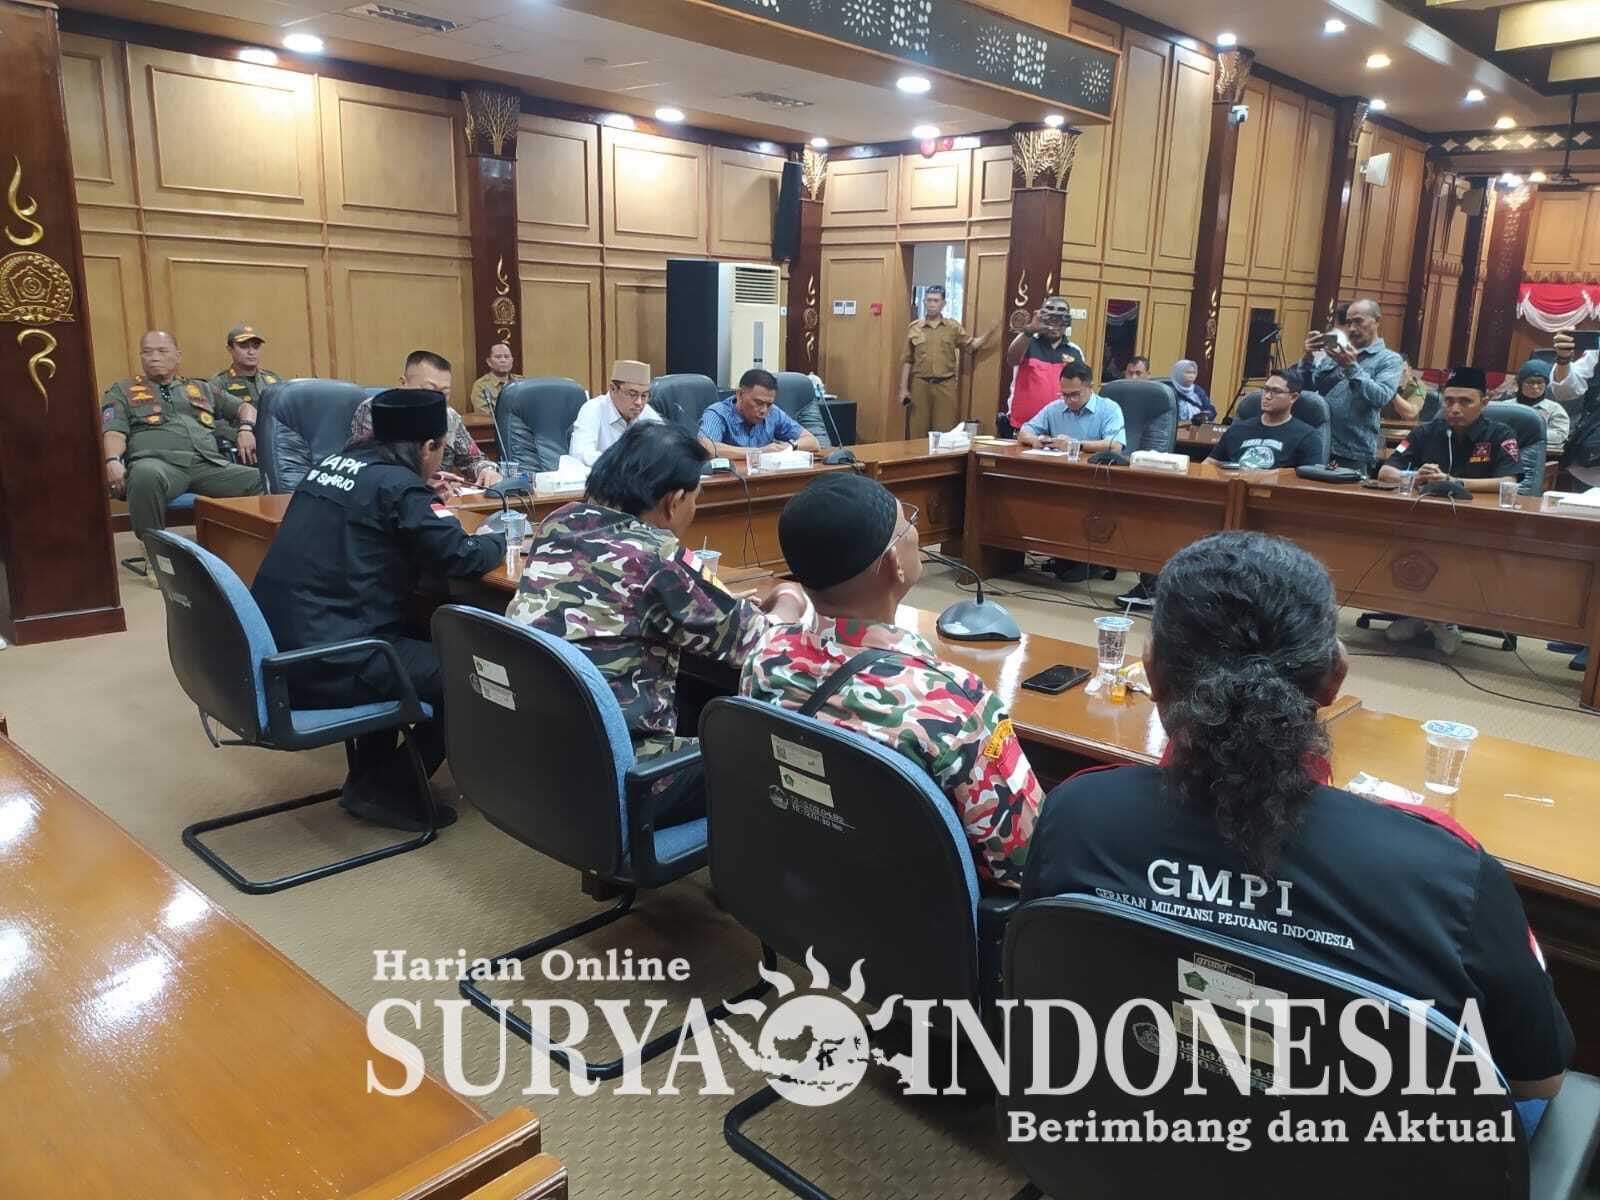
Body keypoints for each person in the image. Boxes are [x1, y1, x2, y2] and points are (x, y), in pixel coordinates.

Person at [1023, 531, 1573, 1112]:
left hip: (1127, 1127)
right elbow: (1536, 1078)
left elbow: (1044, 986)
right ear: (1335, 675)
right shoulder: (1449, 873)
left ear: (1152, 670)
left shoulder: (1076, 814)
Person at [743, 472, 1043, 888]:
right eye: (908, 525)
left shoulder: (765, 657)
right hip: (913, 908)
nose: (915, 531)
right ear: (892, 563)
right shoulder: (955, 703)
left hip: (805, 883)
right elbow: (1020, 857)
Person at [507, 422, 808, 824]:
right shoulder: (658, 557)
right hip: (625, 773)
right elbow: (759, 643)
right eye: (695, 499)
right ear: (674, 500)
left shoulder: (557, 523)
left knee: (698, 696)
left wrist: (710, 602)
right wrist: (788, 598)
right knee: (776, 759)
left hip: (544, 750)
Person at [251, 389, 507, 831]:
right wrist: (498, 537)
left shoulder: (328, 466)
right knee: (478, 673)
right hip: (334, 658)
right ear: (428, 446)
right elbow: (462, 556)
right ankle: (388, 789)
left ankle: (369, 776)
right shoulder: (399, 489)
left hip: (282, 648)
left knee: (421, 634)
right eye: (440, 450)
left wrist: (418, 499)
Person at [1377, 366, 1522, 655]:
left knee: (1453, 556)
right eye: (1449, 401)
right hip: (1425, 521)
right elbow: (1385, 472)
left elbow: (1509, 481)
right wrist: (1414, 476)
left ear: (1485, 402)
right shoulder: (1425, 432)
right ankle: (1427, 618)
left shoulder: (1500, 434)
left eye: (1465, 401)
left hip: (1480, 526)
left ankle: (1438, 619)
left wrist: (1454, 482)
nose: (1454, 408)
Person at [102, 331, 265, 574]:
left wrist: (245, 429)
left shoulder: (201, 388)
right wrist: (112, 460)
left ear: (178, 356)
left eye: (162, 351)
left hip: (208, 464)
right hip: (160, 465)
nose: (154, 357)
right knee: (144, 474)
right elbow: (114, 432)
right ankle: (156, 554)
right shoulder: (122, 391)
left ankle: (247, 548)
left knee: (262, 480)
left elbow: (244, 407)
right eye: (147, 352)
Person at [350, 350, 502, 496]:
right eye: (429, 391)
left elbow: (473, 459)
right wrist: (427, 480)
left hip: (443, 500)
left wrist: (486, 470)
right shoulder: (376, 411)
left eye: (444, 393)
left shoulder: (449, 416)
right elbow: (368, 467)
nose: (437, 399)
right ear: (403, 384)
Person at [1298, 298, 1404, 477]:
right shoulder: (1335, 353)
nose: (1352, 328)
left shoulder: (1389, 359)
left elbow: (1381, 397)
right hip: (1316, 442)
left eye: (1358, 321)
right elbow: (1306, 390)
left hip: (1352, 451)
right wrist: (1308, 357)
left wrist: (1351, 367)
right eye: (1348, 323)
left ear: (1377, 320)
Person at [898, 285, 1000, 438]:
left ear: (943, 304)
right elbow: (908, 360)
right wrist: (903, 388)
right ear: (924, 302)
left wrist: (990, 332)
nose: (932, 304)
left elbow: (971, 345)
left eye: (936, 301)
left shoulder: (952, 327)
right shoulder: (914, 328)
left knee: (944, 432)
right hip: (920, 385)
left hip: (945, 385)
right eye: (929, 300)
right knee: (917, 429)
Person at [1206, 371, 1324, 469]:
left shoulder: (1307, 436)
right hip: (1234, 486)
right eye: (1265, 389)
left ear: (1293, 397)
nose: (1267, 396)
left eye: (1276, 391)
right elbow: (1210, 463)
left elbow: (1309, 480)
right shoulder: (1237, 429)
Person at [1003, 295, 1087, 431]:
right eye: (1049, 313)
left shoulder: (1075, 351)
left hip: (1062, 427)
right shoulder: (1026, 342)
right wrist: (1030, 330)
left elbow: (1082, 388)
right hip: (1024, 426)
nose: (1055, 320)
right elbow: (1012, 359)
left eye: (1060, 314)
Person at [698, 368, 821, 459]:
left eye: (769, 404)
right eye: (758, 402)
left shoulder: (773, 412)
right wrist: (759, 452)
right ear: (740, 394)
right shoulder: (718, 413)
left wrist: (787, 447)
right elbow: (706, 448)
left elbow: (812, 442)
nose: (764, 410)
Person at [1016, 361, 1126, 453]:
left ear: (1090, 387)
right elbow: (1023, 432)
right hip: (1058, 467)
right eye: (1064, 394)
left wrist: (1075, 445)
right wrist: (1035, 440)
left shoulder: (1109, 409)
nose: (1068, 401)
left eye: (1074, 395)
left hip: (1092, 469)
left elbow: (1115, 446)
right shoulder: (1054, 408)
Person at [569, 358, 662, 466]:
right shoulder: (593, 410)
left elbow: (664, 445)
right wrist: (623, 462)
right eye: (632, 394)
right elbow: (580, 455)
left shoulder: (646, 410)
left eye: (644, 395)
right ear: (613, 389)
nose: (639, 402)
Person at [209, 324, 284, 443]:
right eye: (244, 346)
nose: (251, 352)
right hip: (241, 445)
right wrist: (239, 435)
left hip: (278, 442)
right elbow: (212, 423)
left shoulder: (273, 379)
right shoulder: (218, 383)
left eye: (256, 346)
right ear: (230, 349)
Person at [1512, 359, 1569, 453]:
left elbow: (1559, 436)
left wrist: (1526, 434)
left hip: (1542, 454)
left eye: (1540, 382)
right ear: (1520, 383)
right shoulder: (1505, 406)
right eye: (1530, 382)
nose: (1535, 387)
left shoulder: (1554, 409)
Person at [469, 341, 521, 415]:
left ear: (512, 360)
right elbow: (484, 416)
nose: (503, 360)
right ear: (489, 361)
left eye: (507, 356)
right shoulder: (481, 386)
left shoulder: (521, 381)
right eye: (498, 357)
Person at [1385, 351, 1428, 422]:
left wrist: (1392, 392)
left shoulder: (1418, 386)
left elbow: (1411, 413)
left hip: (1406, 427)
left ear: (1410, 371)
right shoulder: (1382, 382)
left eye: (1403, 371)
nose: (1399, 376)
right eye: (1395, 371)